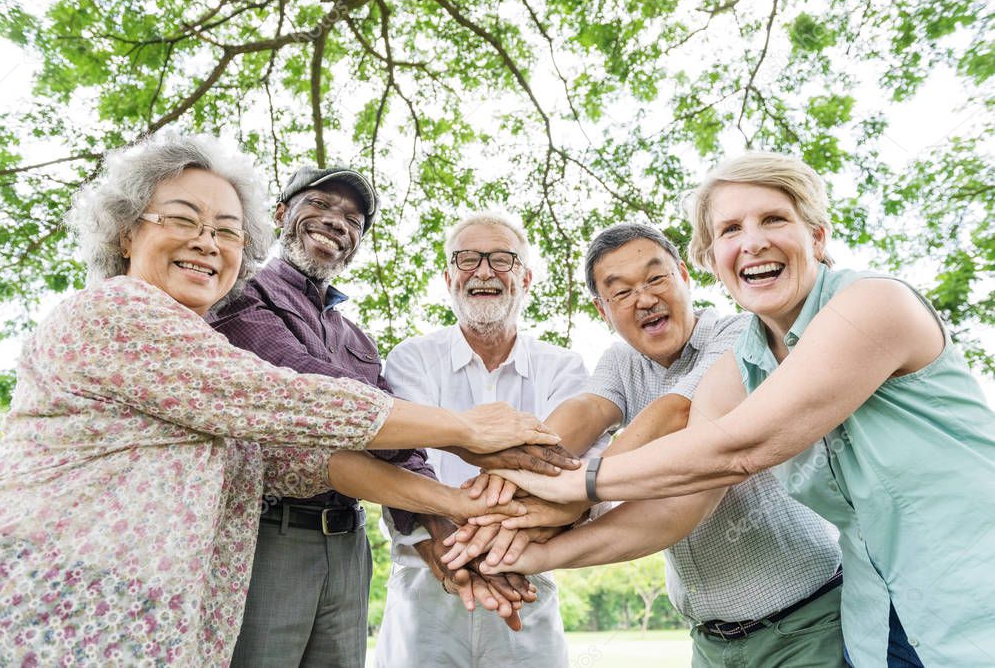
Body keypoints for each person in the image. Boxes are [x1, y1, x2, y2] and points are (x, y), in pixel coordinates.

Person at [0, 133, 557, 666]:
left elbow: (299, 459)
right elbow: (284, 397)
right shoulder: (120, 310)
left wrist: (454, 513)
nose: (206, 243)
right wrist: (464, 430)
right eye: (182, 220)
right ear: (128, 231)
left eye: (225, 231)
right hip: (54, 598)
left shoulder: (342, 338)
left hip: (159, 609)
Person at [493, 152, 995, 667]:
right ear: (713, 257)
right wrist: (527, 550)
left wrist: (576, 484)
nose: (752, 242)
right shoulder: (747, 358)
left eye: (773, 219)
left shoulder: (874, 302)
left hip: (970, 605)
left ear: (817, 237)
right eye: (730, 229)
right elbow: (680, 496)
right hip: (879, 621)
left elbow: (737, 447)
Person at [461, 222, 844, 667]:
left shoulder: (743, 333)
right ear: (602, 309)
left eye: (655, 278)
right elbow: (585, 411)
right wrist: (506, 499)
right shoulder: (621, 362)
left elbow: (677, 413)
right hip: (711, 641)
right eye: (620, 292)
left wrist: (571, 500)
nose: (643, 299)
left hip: (805, 623)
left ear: (684, 275)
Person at [209, 166, 530, 667]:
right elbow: (312, 392)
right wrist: (462, 434)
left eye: (352, 218)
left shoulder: (357, 340)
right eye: (318, 206)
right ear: (280, 214)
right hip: (272, 534)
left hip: (350, 542)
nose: (336, 222)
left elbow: (398, 444)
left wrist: (441, 531)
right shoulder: (243, 293)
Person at [374, 214, 600, 667]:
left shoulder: (562, 368)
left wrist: (490, 547)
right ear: (448, 277)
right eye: (467, 259)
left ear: (526, 278)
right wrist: (446, 547)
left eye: (501, 259)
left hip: (526, 582)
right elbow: (400, 456)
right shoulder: (412, 359)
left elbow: (574, 467)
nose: (483, 271)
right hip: (425, 583)